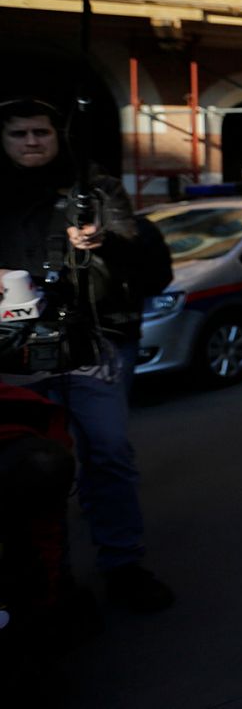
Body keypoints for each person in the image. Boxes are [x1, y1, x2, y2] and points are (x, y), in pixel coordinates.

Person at [0, 97, 174, 613]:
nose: (32, 142)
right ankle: (51, 582)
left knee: (108, 457)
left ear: (58, 137)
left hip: (90, 349)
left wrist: (105, 244)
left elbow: (153, 270)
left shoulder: (95, 191)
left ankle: (123, 566)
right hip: (13, 359)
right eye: (18, 134)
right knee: (30, 469)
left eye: (41, 132)